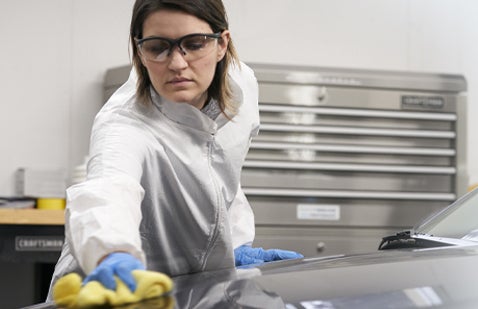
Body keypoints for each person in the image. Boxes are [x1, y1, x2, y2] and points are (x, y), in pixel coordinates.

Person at [48, 0, 303, 296]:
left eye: (194, 44)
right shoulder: (124, 123)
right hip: (118, 288)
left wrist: (234, 246)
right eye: (158, 47)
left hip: (199, 284)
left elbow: (221, 172)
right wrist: (112, 253)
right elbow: (108, 190)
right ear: (140, 51)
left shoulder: (242, 85)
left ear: (222, 44)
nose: (177, 64)